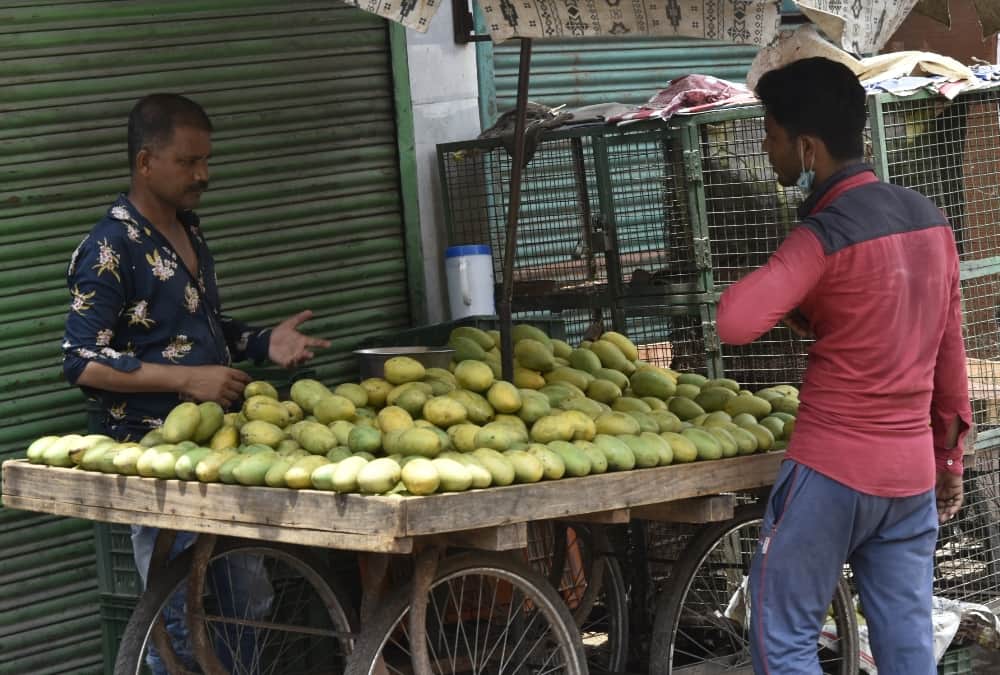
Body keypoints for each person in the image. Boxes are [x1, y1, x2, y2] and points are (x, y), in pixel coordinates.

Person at [716, 57, 971, 674]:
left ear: (807, 147)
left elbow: (735, 321)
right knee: (907, 641)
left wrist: (801, 289)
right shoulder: (932, 223)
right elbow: (949, 352)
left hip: (831, 470)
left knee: (784, 637)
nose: (766, 149)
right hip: (911, 473)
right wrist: (951, 456)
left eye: (771, 137)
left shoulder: (822, 235)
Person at [61, 93, 331, 671]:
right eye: (187, 162)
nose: (202, 174)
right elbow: (81, 359)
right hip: (156, 459)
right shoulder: (110, 248)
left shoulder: (189, 230)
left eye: (207, 160)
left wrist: (263, 343)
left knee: (247, 599)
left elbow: (196, 331)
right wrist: (188, 381)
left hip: (221, 454)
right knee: (178, 618)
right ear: (144, 162)